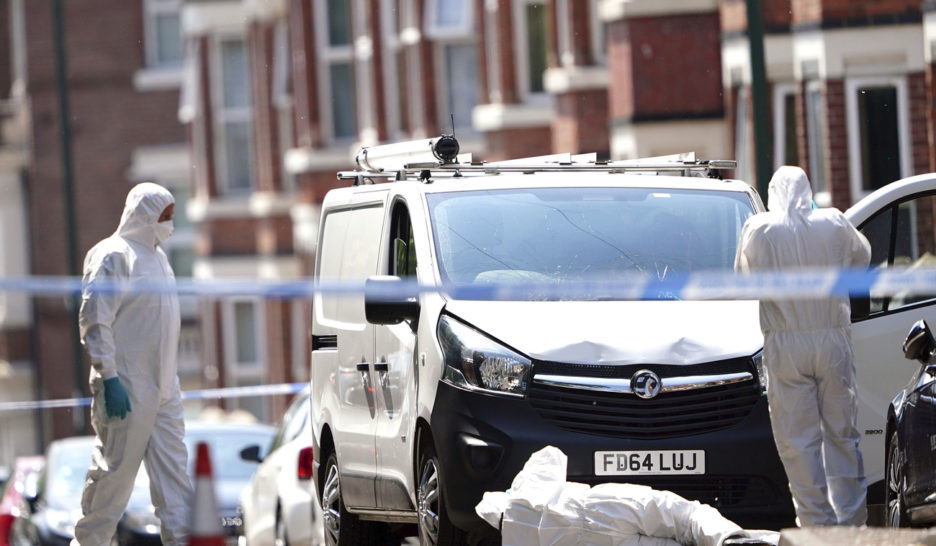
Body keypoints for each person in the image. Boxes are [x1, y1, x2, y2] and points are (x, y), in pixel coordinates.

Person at [735, 166, 871, 527]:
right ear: (808, 191)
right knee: (842, 434)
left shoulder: (759, 228)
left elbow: (742, 279)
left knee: (799, 442)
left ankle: (816, 525)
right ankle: (851, 523)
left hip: (786, 341)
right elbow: (863, 258)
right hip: (832, 338)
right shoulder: (835, 222)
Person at [73, 182, 193, 545]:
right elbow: (95, 319)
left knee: (176, 485)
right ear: (144, 215)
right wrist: (108, 377)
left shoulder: (159, 259)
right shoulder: (113, 255)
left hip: (163, 389)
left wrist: (167, 384)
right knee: (112, 482)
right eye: (164, 217)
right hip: (125, 386)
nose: (169, 224)